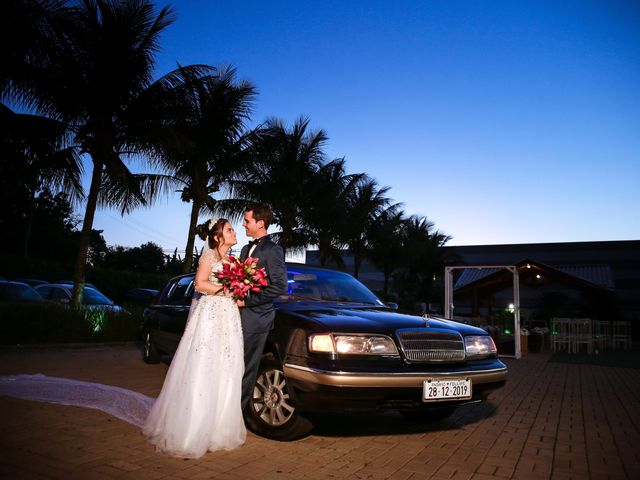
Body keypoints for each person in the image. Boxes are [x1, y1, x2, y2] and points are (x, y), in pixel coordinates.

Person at [143, 219, 245, 458]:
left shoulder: (234, 261)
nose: (234, 232)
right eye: (229, 230)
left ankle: (219, 430)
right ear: (218, 237)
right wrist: (226, 290)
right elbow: (199, 284)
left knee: (227, 366)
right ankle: (192, 430)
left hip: (229, 316)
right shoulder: (209, 257)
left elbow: (237, 289)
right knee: (204, 366)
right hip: (210, 315)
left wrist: (241, 292)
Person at [238, 203, 288, 415]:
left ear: (260, 223)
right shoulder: (244, 249)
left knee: (246, 368)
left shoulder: (273, 249)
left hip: (257, 318)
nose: (243, 224)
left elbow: (279, 286)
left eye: (247, 221)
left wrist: (247, 301)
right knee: (234, 365)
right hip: (238, 316)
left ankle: (237, 415)